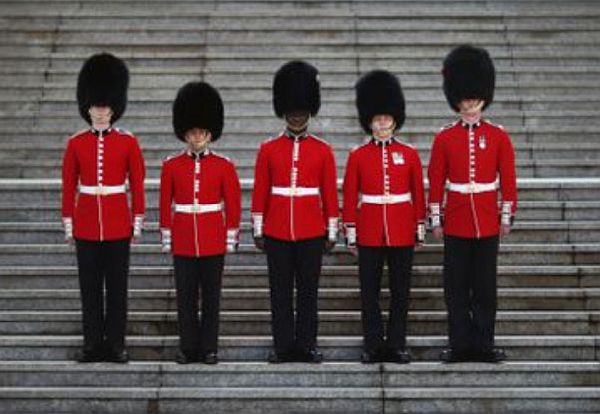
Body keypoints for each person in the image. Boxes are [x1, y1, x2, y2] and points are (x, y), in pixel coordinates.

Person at [428, 44, 517, 363]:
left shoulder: (498, 136)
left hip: (486, 220)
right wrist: (435, 219)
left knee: (484, 288)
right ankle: (460, 344)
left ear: (484, 94)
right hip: (456, 220)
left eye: (474, 95)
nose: (469, 101)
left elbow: (507, 180)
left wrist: (506, 215)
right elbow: (436, 183)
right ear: (456, 97)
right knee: (455, 288)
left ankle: (483, 343)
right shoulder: (445, 137)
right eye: (464, 96)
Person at [251, 60, 339, 363]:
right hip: (276, 229)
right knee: (280, 294)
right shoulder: (268, 149)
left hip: (312, 230)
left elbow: (328, 194)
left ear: (309, 111)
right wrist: (258, 228)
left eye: (302, 110)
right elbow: (261, 190)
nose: (297, 115)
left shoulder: (322, 149)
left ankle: (307, 345)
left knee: (308, 294)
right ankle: (283, 346)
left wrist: (332, 229)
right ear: (284, 111)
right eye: (293, 110)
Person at [62, 53, 145, 363]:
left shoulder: (127, 142)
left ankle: (116, 344)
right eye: (96, 105)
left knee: (117, 289)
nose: (100, 110)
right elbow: (69, 186)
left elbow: (136, 184)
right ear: (87, 106)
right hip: (85, 224)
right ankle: (92, 343)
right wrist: (69, 222)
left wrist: (136, 221)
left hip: (116, 224)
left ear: (115, 107)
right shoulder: (76, 143)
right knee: (90, 289)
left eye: (105, 105)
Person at [342, 70, 426, 363]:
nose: (382, 124)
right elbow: (351, 196)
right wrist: (350, 231)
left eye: (386, 119)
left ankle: (397, 344)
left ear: (394, 119)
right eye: (377, 119)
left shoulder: (410, 154)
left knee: (400, 292)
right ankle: (373, 344)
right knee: (370, 293)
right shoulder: (358, 155)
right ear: (370, 121)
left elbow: (418, 193)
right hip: (369, 230)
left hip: (402, 229)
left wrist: (419, 227)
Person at [160, 82, 241, 364]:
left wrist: (230, 236)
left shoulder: (224, 165)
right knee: (185, 299)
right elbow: (164, 202)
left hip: (212, 238)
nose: (197, 137)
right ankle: (188, 347)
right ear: (185, 133)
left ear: (210, 133)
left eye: (202, 132)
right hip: (183, 238)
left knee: (210, 299)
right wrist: (166, 234)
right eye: (193, 132)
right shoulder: (171, 165)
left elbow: (232, 203)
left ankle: (209, 348)